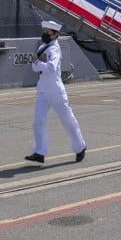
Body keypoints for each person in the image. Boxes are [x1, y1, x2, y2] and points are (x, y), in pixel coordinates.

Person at [24, 20, 86, 164]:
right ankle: (39, 152)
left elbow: (51, 68)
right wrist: (37, 63)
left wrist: (38, 62)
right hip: (42, 90)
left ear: (55, 34)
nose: (44, 34)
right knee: (38, 121)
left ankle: (80, 147)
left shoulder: (54, 50)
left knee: (67, 120)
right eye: (43, 31)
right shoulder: (42, 47)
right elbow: (35, 68)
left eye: (47, 32)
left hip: (55, 91)